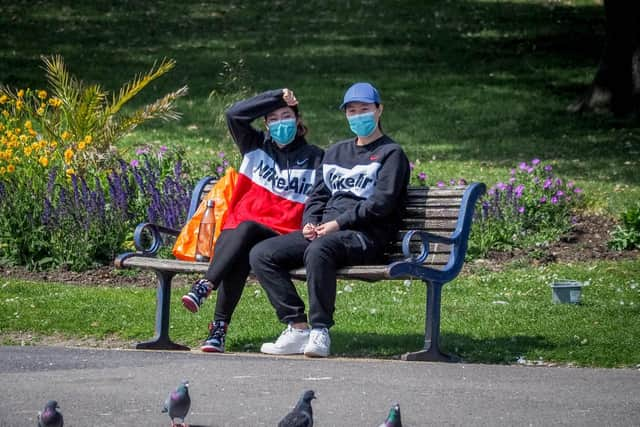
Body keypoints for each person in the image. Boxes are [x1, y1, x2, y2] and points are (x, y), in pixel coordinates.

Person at [249, 82, 410, 357]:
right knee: (262, 253)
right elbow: (318, 195)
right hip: (325, 232)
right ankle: (298, 327)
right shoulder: (336, 152)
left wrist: (338, 224)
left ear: (379, 110)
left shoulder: (391, 154)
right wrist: (310, 223)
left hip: (365, 236)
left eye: (364, 110)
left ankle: (320, 330)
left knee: (319, 249)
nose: (358, 116)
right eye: (352, 111)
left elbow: (381, 204)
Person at [181, 88, 324, 353]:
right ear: (266, 124)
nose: (281, 123)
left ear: (297, 120)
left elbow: (319, 200)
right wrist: (277, 97)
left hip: (279, 236)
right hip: (239, 235)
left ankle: (206, 288)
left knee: (244, 230)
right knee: (242, 242)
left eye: (286, 116)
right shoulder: (254, 145)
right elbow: (234, 114)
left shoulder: (317, 158)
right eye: (274, 119)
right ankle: (218, 331)